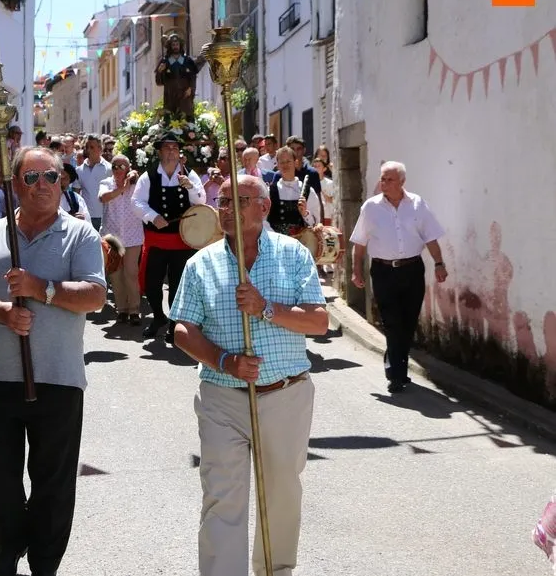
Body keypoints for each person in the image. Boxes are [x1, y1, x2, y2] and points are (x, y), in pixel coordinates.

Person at [0, 147, 106, 576]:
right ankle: (11, 539)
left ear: (62, 182)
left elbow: (95, 295)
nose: (42, 186)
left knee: (53, 485)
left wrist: (42, 289)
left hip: (58, 381)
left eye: (50, 177)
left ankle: (44, 565)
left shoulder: (80, 234)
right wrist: (1, 312)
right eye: (31, 177)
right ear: (15, 184)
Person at [169, 174, 328, 576]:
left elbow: (318, 321)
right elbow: (182, 329)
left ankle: (276, 571)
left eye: (239, 200)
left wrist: (265, 308)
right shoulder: (200, 264)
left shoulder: (293, 254)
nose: (227, 209)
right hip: (223, 396)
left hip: (285, 393)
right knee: (222, 497)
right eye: (222, 201)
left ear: (264, 206)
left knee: (281, 495)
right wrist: (224, 361)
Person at [350, 161, 448, 393]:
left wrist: (439, 263)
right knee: (392, 322)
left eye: (389, 179)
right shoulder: (371, 207)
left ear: (402, 181)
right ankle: (396, 375)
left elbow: (430, 237)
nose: (383, 183)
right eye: (382, 179)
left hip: (412, 270)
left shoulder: (417, 204)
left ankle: (395, 361)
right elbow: (359, 243)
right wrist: (356, 270)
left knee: (408, 322)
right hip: (383, 272)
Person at [131, 131, 205, 342]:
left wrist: (191, 188)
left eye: (175, 148)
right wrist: (153, 217)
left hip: (183, 240)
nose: (171, 152)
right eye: (167, 148)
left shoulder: (189, 175)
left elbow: (201, 201)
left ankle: (173, 324)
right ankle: (158, 317)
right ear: (159, 152)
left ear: (179, 152)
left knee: (177, 285)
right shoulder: (149, 176)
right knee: (152, 284)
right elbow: (136, 202)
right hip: (157, 239)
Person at [98, 153, 143, 324]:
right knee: (116, 273)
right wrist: (122, 188)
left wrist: (134, 177)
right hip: (112, 236)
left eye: (121, 166)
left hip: (133, 235)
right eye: (114, 166)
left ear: (128, 169)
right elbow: (103, 198)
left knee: (131, 272)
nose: (117, 169)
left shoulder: (136, 184)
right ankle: (122, 309)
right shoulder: (106, 183)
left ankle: (134, 310)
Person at [266, 147, 321, 236]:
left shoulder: (309, 191)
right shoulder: (269, 191)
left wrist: (305, 214)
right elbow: (263, 221)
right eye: (282, 162)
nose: (285, 165)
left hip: (301, 242)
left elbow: (316, 224)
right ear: (278, 165)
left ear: (295, 163)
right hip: (276, 241)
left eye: (288, 161)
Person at [154, 31, 198, 121]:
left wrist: (191, 88)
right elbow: (159, 82)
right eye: (173, 45)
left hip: (185, 95)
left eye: (177, 44)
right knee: (170, 118)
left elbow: (193, 76)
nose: (175, 47)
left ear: (180, 45)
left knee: (186, 117)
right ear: (170, 46)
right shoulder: (165, 61)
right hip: (170, 95)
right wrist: (160, 71)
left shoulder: (187, 61)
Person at [77, 135, 111, 231]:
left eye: (92, 147)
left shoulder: (109, 169)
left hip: (106, 216)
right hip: (86, 217)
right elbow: (76, 194)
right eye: (87, 147)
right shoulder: (79, 170)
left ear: (100, 148)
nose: (88, 150)